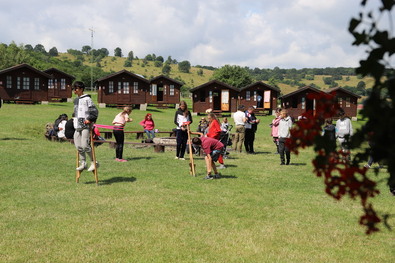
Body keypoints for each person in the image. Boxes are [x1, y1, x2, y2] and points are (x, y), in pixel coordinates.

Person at [72, 81, 99, 172]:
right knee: (78, 146)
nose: (74, 90)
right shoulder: (75, 100)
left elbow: (94, 111)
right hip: (77, 125)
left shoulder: (87, 99)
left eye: (76, 89)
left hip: (85, 125)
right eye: (74, 88)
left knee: (85, 145)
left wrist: (90, 119)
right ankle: (83, 163)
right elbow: (76, 112)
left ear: (81, 89)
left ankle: (94, 162)